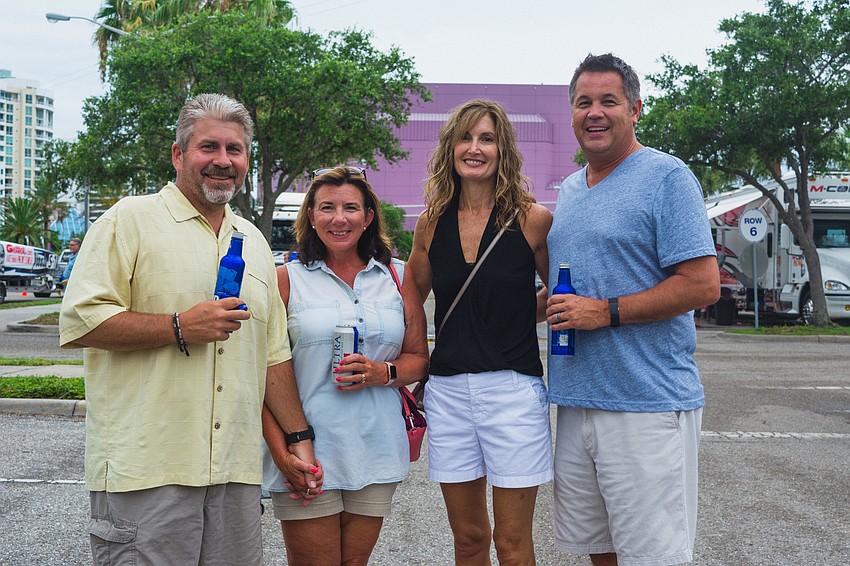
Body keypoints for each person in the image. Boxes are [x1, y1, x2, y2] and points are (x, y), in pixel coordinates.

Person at [59, 93, 320, 566]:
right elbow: (81, 320)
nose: (223, 161)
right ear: (179, 154)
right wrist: (179, 325)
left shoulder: (255, 243)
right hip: (147, 470)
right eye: (209, 147)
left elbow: (273, 354)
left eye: (235, 150)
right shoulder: (129, 220)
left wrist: (298, 438)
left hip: (235, 472)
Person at [545, 53, 720, 566]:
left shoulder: (666, 176)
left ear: (635, 109)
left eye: (608, 101)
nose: (594, 113)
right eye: (583, 102)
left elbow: (703, 283)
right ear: (571, 112)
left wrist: (606, 312)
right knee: (598, 551)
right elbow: (567, 292)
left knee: (652, 556)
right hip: (575, 402)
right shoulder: (571, 190)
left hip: (646, 403)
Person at [407, 99, 553, 565]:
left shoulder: (532, 219)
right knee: (468, 539)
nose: (475, 148)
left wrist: (511, 316)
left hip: (513, 390)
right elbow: (411, 295)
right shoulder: (430, 222)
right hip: (448, 392)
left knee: (511, 544)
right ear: (450, 148)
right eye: (466, 138)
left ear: (502, 149)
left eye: (486, 138)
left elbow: (563, 291)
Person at [262, 166, 429, 566]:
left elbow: (418, 360)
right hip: (307, 453)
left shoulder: (398, 277)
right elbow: (261, 377)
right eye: (327, 208)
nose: (340, 218)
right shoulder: (285, 279)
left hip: (377, 449)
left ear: (368, 216)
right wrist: (282, 452)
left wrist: (381, 372)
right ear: (312, 217)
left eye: (351, 207)